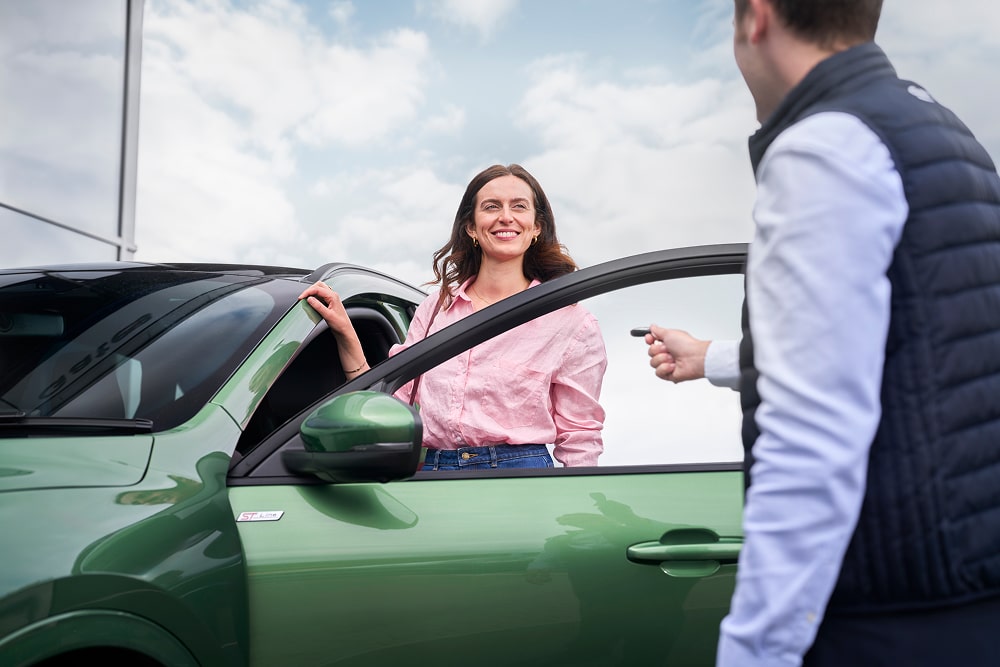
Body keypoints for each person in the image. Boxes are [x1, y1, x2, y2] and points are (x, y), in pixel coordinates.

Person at [644, 1, 1000, 665]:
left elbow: (813, 433)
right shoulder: (936, 129)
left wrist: (756, 650)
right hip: (969, 598)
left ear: (757, 17)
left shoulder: (821, 147)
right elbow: (908, 344)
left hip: (889, 616)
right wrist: (713, 358)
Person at [299, 164, 607, 470]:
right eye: (491, 206)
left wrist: (579, 509)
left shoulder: (570, 322)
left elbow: (580, 437)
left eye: (519, 206)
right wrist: (344, 331)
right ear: (471, 227)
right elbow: (390, 402)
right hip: (434, 475)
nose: (506, 216)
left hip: (520, 479)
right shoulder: (436, 309)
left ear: (536, 226)